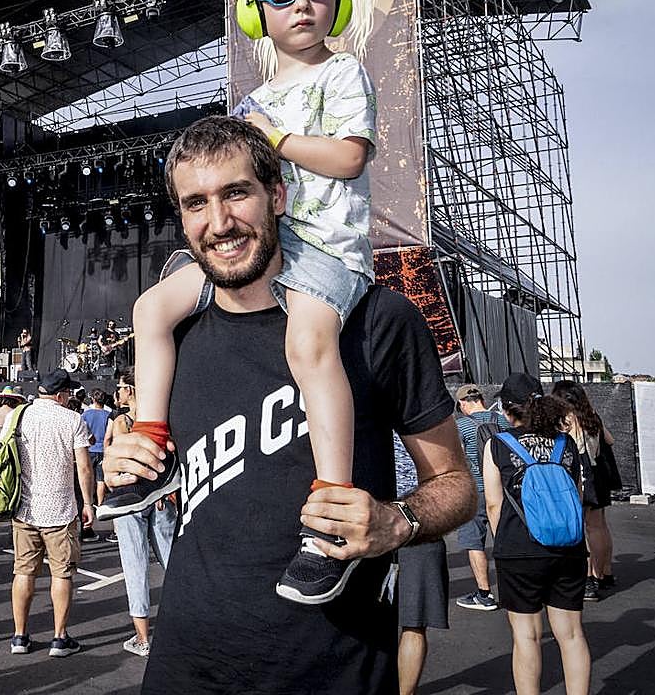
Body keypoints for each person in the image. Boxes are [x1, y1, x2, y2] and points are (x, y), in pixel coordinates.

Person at [102, 115, 474, 693]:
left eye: (236, 193)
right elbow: (174, 461)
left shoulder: (378, 322)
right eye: (196, 203)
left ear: (277, 196)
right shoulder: (174, 335)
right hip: (185, 666)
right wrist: (129, 453)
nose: (219, 223)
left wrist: (395, 523)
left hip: (333, 670)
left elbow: (456, 485)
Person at [106, 0, 380, 605]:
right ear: (256, 10)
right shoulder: (251, 103)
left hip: (328, 250)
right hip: (266, 248)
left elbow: (350, 158)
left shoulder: (343, 73)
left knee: (307, 344)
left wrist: (275, 138)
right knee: (150, 307)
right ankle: (153, 447)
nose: (302, 5)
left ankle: (331, 513)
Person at [483, 374, 590, 695]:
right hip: (569, 546)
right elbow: (577, 496)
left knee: (526, 636)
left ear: (507, 409)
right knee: (572, 635)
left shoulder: (498, 444)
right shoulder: (565, 444)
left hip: (519, 548)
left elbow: (493, 504)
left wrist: (503, 542)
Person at [7, 369, 95, 658]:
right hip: (61, 509)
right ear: (60, 395)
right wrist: (88, 503)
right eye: (68, 393)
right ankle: (59, 637)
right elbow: (84, 467)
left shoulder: (18, 415)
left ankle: (19, 636)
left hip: (25, 508)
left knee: (23, 571)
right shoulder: (72, 419)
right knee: (62, 573)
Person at [105, 368, 176, 657]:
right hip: (161, 495)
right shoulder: (165, 417)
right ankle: (182, 622)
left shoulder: (122, 422)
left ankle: (142, 638)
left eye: (121, 387)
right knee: (172, 560)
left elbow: (121, 458)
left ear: (131, 391)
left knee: (135, 564)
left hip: (131, 497)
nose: (118, 392)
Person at [393, 435, 450, 695]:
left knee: (366, 622)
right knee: (414, 623)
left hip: (371, 525)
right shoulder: (428, 431)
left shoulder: (363, 426)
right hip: (419, 527)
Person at [552, 379, 616, 601]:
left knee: (580, 528)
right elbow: (610, 440)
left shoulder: (565, 419)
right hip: (597, 473)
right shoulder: (591, 415)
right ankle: (604, 573)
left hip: (578, 472)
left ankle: (587, 580)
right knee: (598, 526)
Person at [453, 382, 509, 611]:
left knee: (474, 541)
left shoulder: (461, 425)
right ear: (481, 400)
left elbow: (456, 458)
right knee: (505, 538)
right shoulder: (502, 421)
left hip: (476, 490)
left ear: (462, 403)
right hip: (503, 489)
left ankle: (484, 594)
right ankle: (512, 589)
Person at [81, 389, 113, 506]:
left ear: (93, 399)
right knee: (101, 479)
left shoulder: (85, 415)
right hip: (103, 450)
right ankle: (100, 504)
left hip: (89, 450)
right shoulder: (108, 415)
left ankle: (88, 502)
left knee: (88, 476)